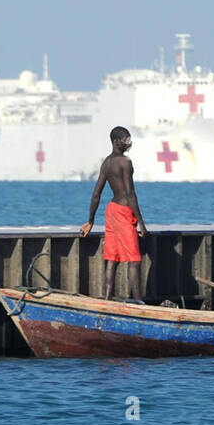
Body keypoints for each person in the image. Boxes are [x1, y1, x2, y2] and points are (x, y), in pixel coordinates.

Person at [82, 126, 148, 300]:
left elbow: (96, 194)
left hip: (111, 211)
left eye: (129, 139)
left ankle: (107, 299)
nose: (128, 143)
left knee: (112, 257)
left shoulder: (106, 162)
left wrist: (90, 220)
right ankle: (139, 304)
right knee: (133, 260)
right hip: (124, 211)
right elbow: (130, 194)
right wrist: (141, 223)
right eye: (125, 139)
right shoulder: (125, 162)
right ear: (115, 141)